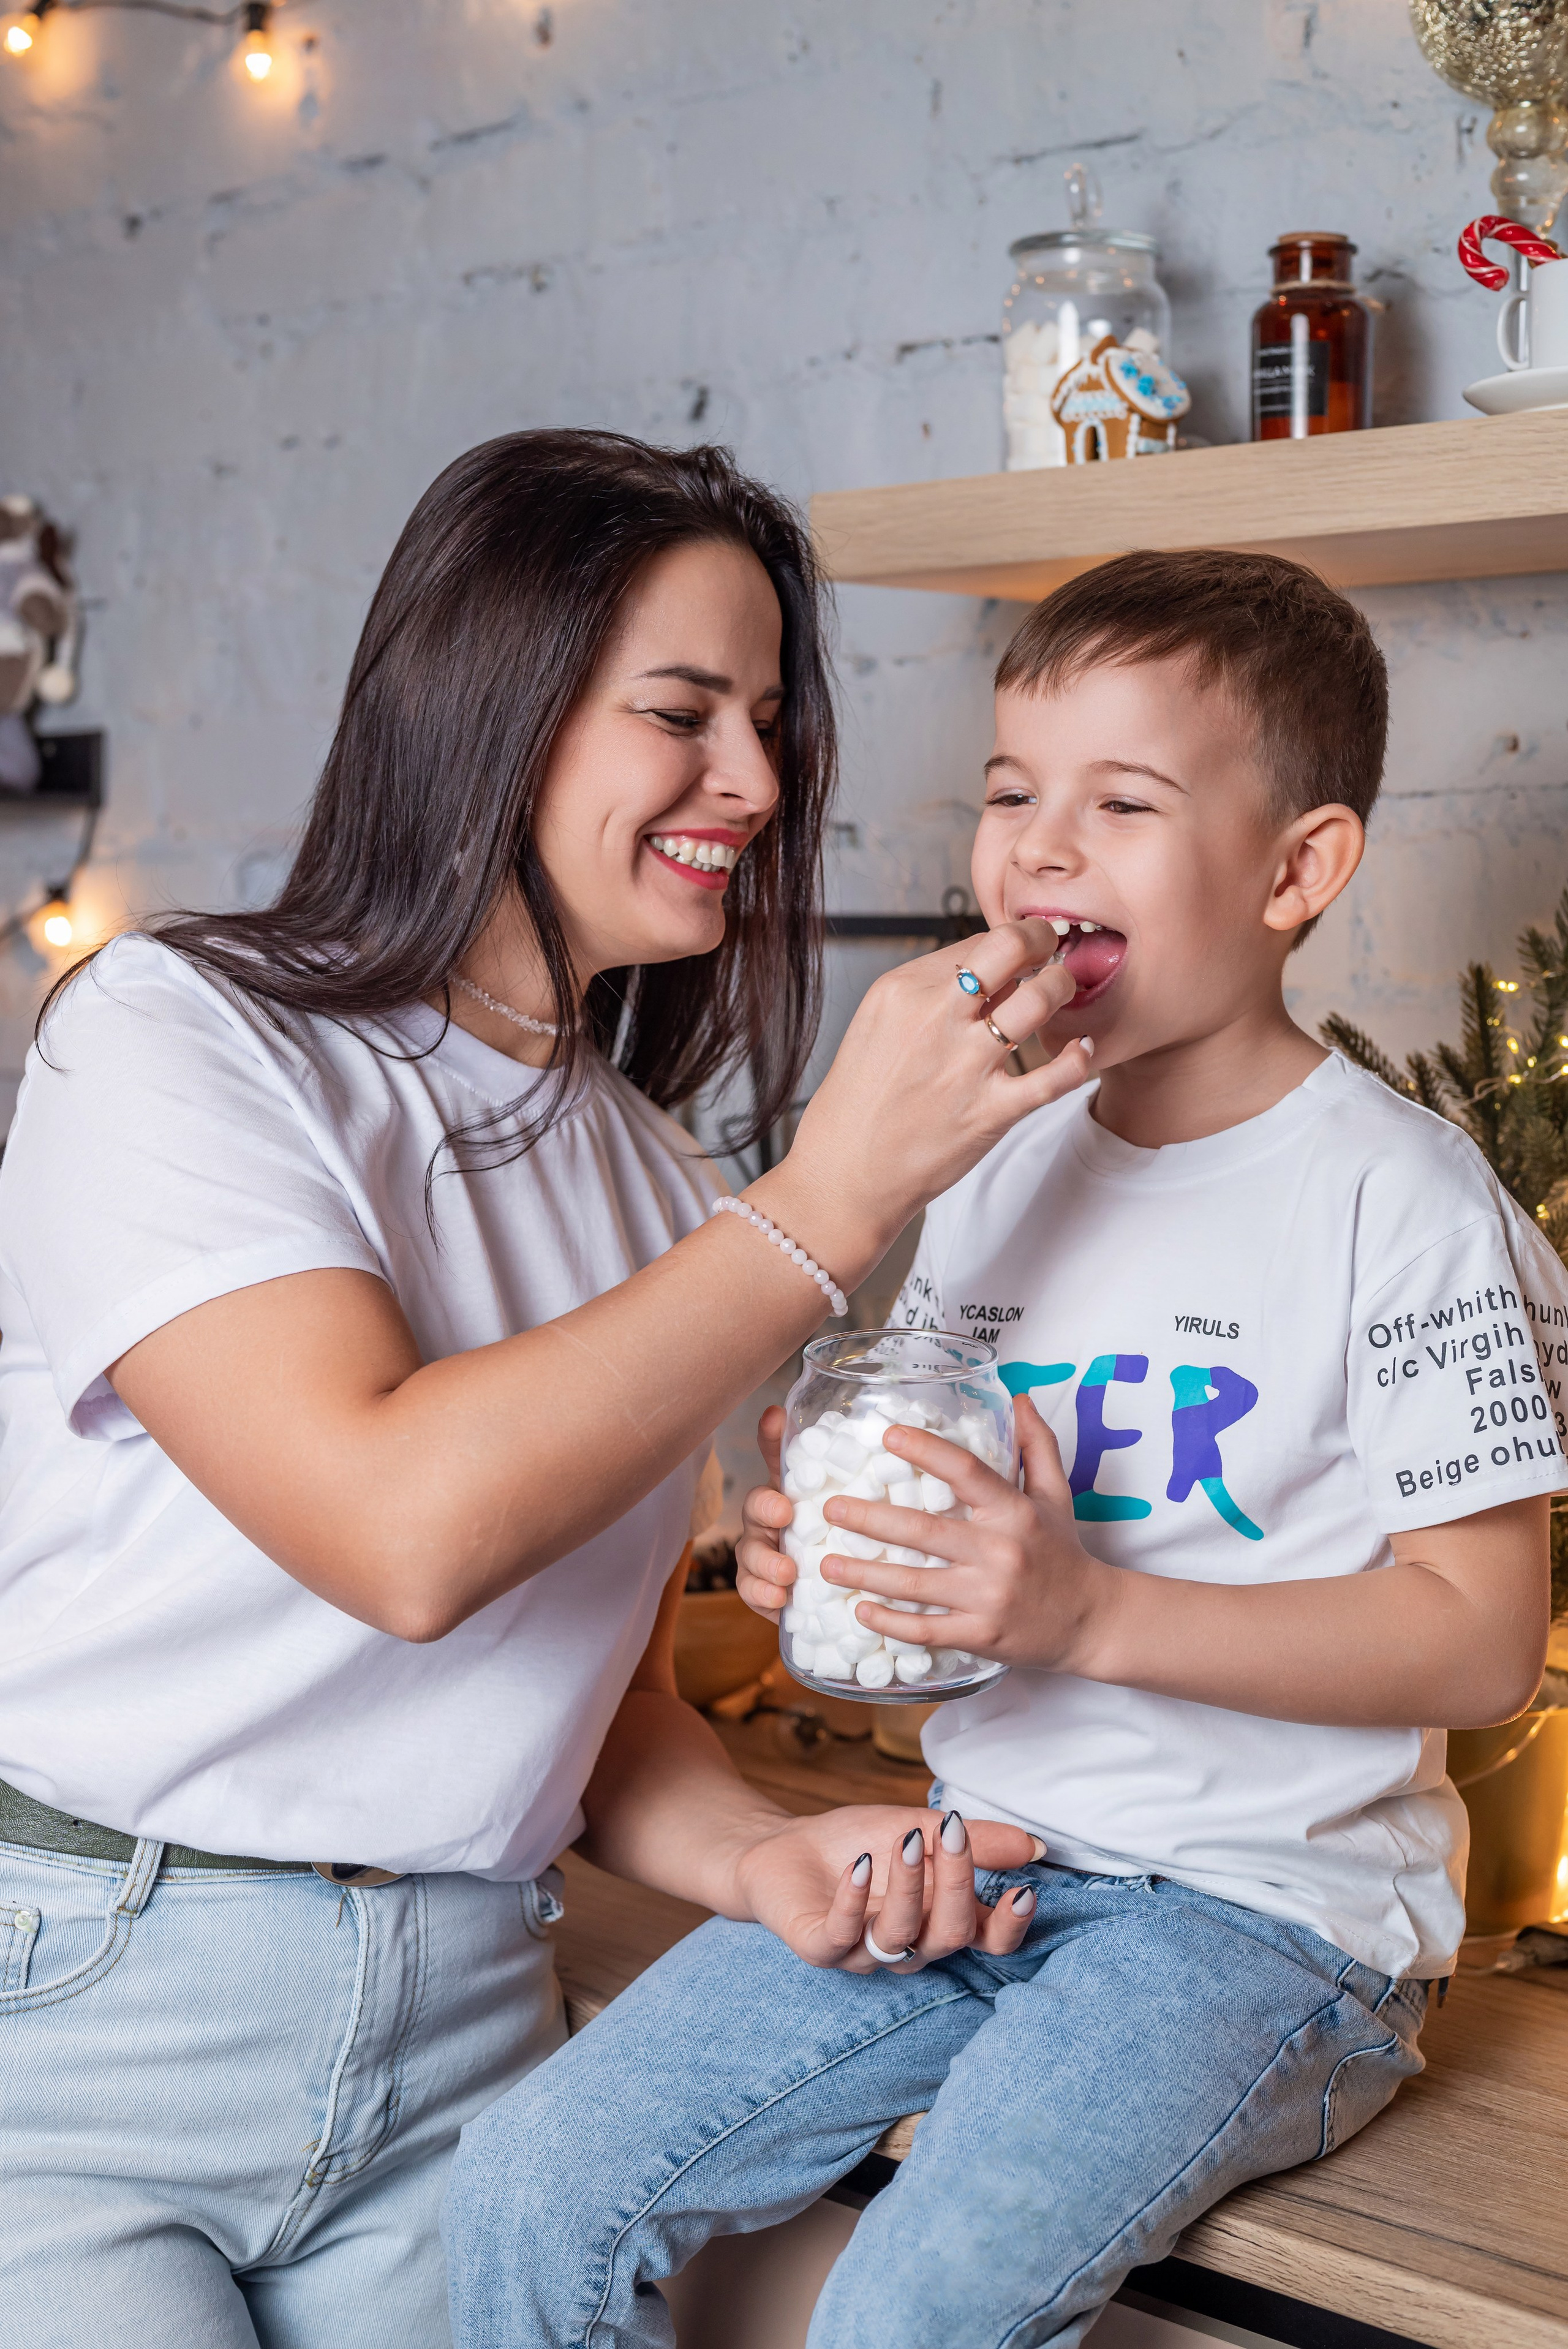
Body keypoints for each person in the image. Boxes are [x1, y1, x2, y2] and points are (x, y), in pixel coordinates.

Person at [0, 429, 1098, 2349]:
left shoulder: (662, 1194)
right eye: (682, 712)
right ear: (488, 710)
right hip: (90, 2025)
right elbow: (399, 1532)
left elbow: (591, 1711)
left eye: (769, 723)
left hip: (465, 2048)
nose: (752, 782)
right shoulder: (173, 1037)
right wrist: (830, 1194)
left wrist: (764, 1847)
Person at [443, 549, 1565, 2349]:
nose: (1042, 851)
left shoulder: (1402, 1200)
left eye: (1122, 803)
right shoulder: (994, 1155)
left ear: (1300, 870)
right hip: (980, 1851)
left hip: (1261, 1924)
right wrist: (843, 1567)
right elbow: (942, 1502)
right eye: (1011, 794)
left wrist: (1083, 1616)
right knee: (531, 2191)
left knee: (907, 2311)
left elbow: (1480, 1632)